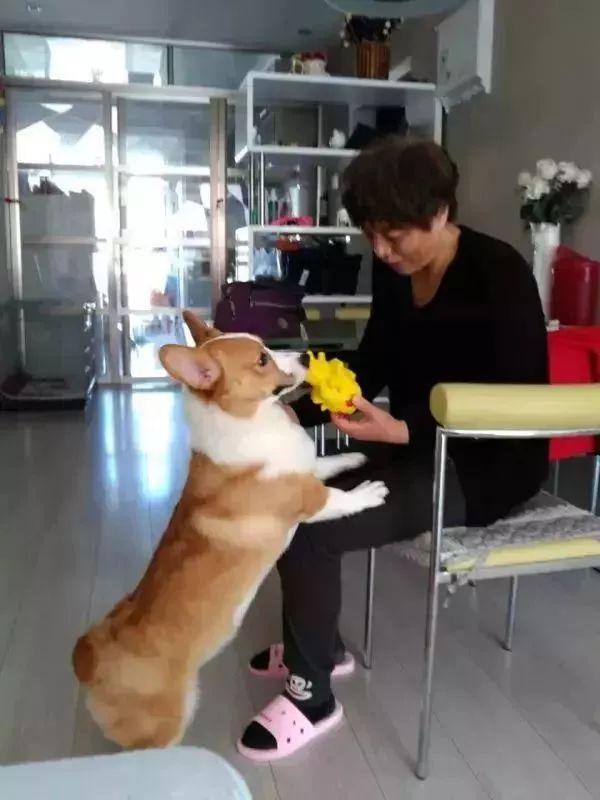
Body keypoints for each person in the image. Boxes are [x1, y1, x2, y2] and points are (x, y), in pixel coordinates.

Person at [238, 137, 549, 761]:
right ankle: (317, 646)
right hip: (412, 444)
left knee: (313, 525)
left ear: (439, 212)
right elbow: (372, 362)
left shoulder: (499, 272)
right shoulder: (394, 273)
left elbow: (519, 404)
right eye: (372, 235)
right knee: (286, 495)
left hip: (487, 465)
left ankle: (312, 698)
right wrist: (291, 405)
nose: (381, 250)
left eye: (394, 235)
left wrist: (405, 430)